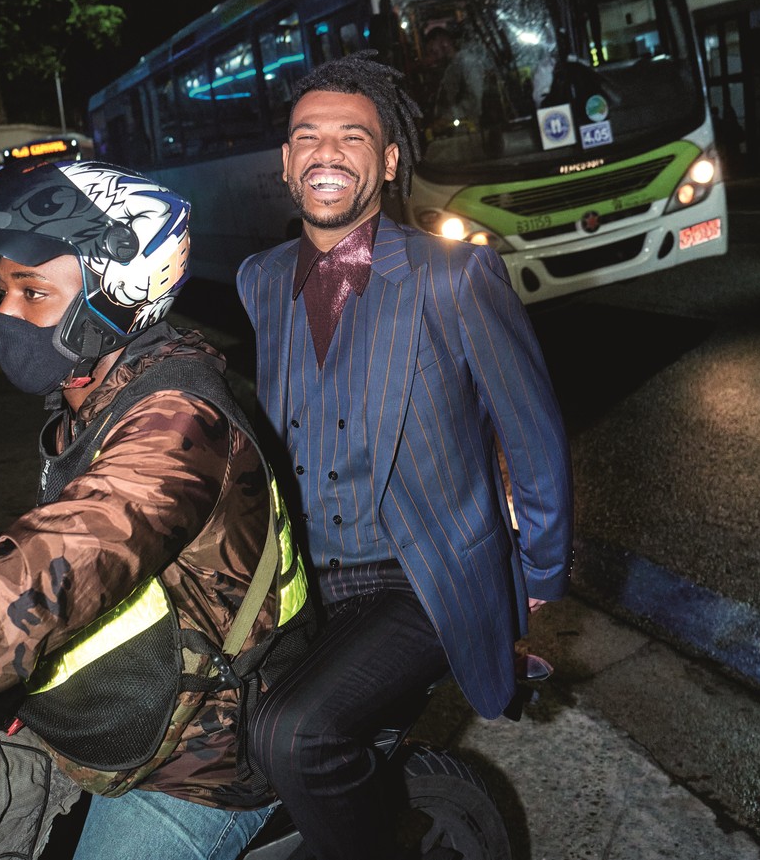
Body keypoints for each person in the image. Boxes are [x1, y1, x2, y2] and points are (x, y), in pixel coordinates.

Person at [0, 160, 314, 860]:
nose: (6, 313)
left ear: (115, 299)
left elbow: (41, 578)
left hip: (202, 756)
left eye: (33, 292)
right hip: (121, 697)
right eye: (3, 289)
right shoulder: (91, 393)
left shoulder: (179, 425)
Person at [236, 51, 574, 860]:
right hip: (306, 583)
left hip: (421, 576)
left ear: (387, 162)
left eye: (353, 136)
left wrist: (537, 583)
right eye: (307, 136)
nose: (327, 151)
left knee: (293, 733)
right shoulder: (260, 281)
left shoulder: (454, 277)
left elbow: (533, 437)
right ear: (286, 163)